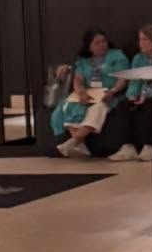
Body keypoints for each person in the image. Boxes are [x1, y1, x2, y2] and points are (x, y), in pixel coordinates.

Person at [50, 29, 130, 158]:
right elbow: (78, 80)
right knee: (67, 106)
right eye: (97, 43)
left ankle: (74, 141)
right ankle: (80, 144)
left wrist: (113, 91)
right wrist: (81, 93)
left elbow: (123, 78)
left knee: (98, 108)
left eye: (104, 41)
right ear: (89, 47)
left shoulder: (117, 56)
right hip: (89, 93)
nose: (102, 45)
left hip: (109, 93)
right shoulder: (83, 61)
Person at [108, 25, 152, 162]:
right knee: (123, 105)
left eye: (144, 39)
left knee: (149, 105)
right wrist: (132, 95)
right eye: (140, 39)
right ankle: (127, 147)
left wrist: (146, 95)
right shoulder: (138, 58)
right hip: (141, 95)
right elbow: (135, 80)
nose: (140, 43)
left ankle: (149, 147)